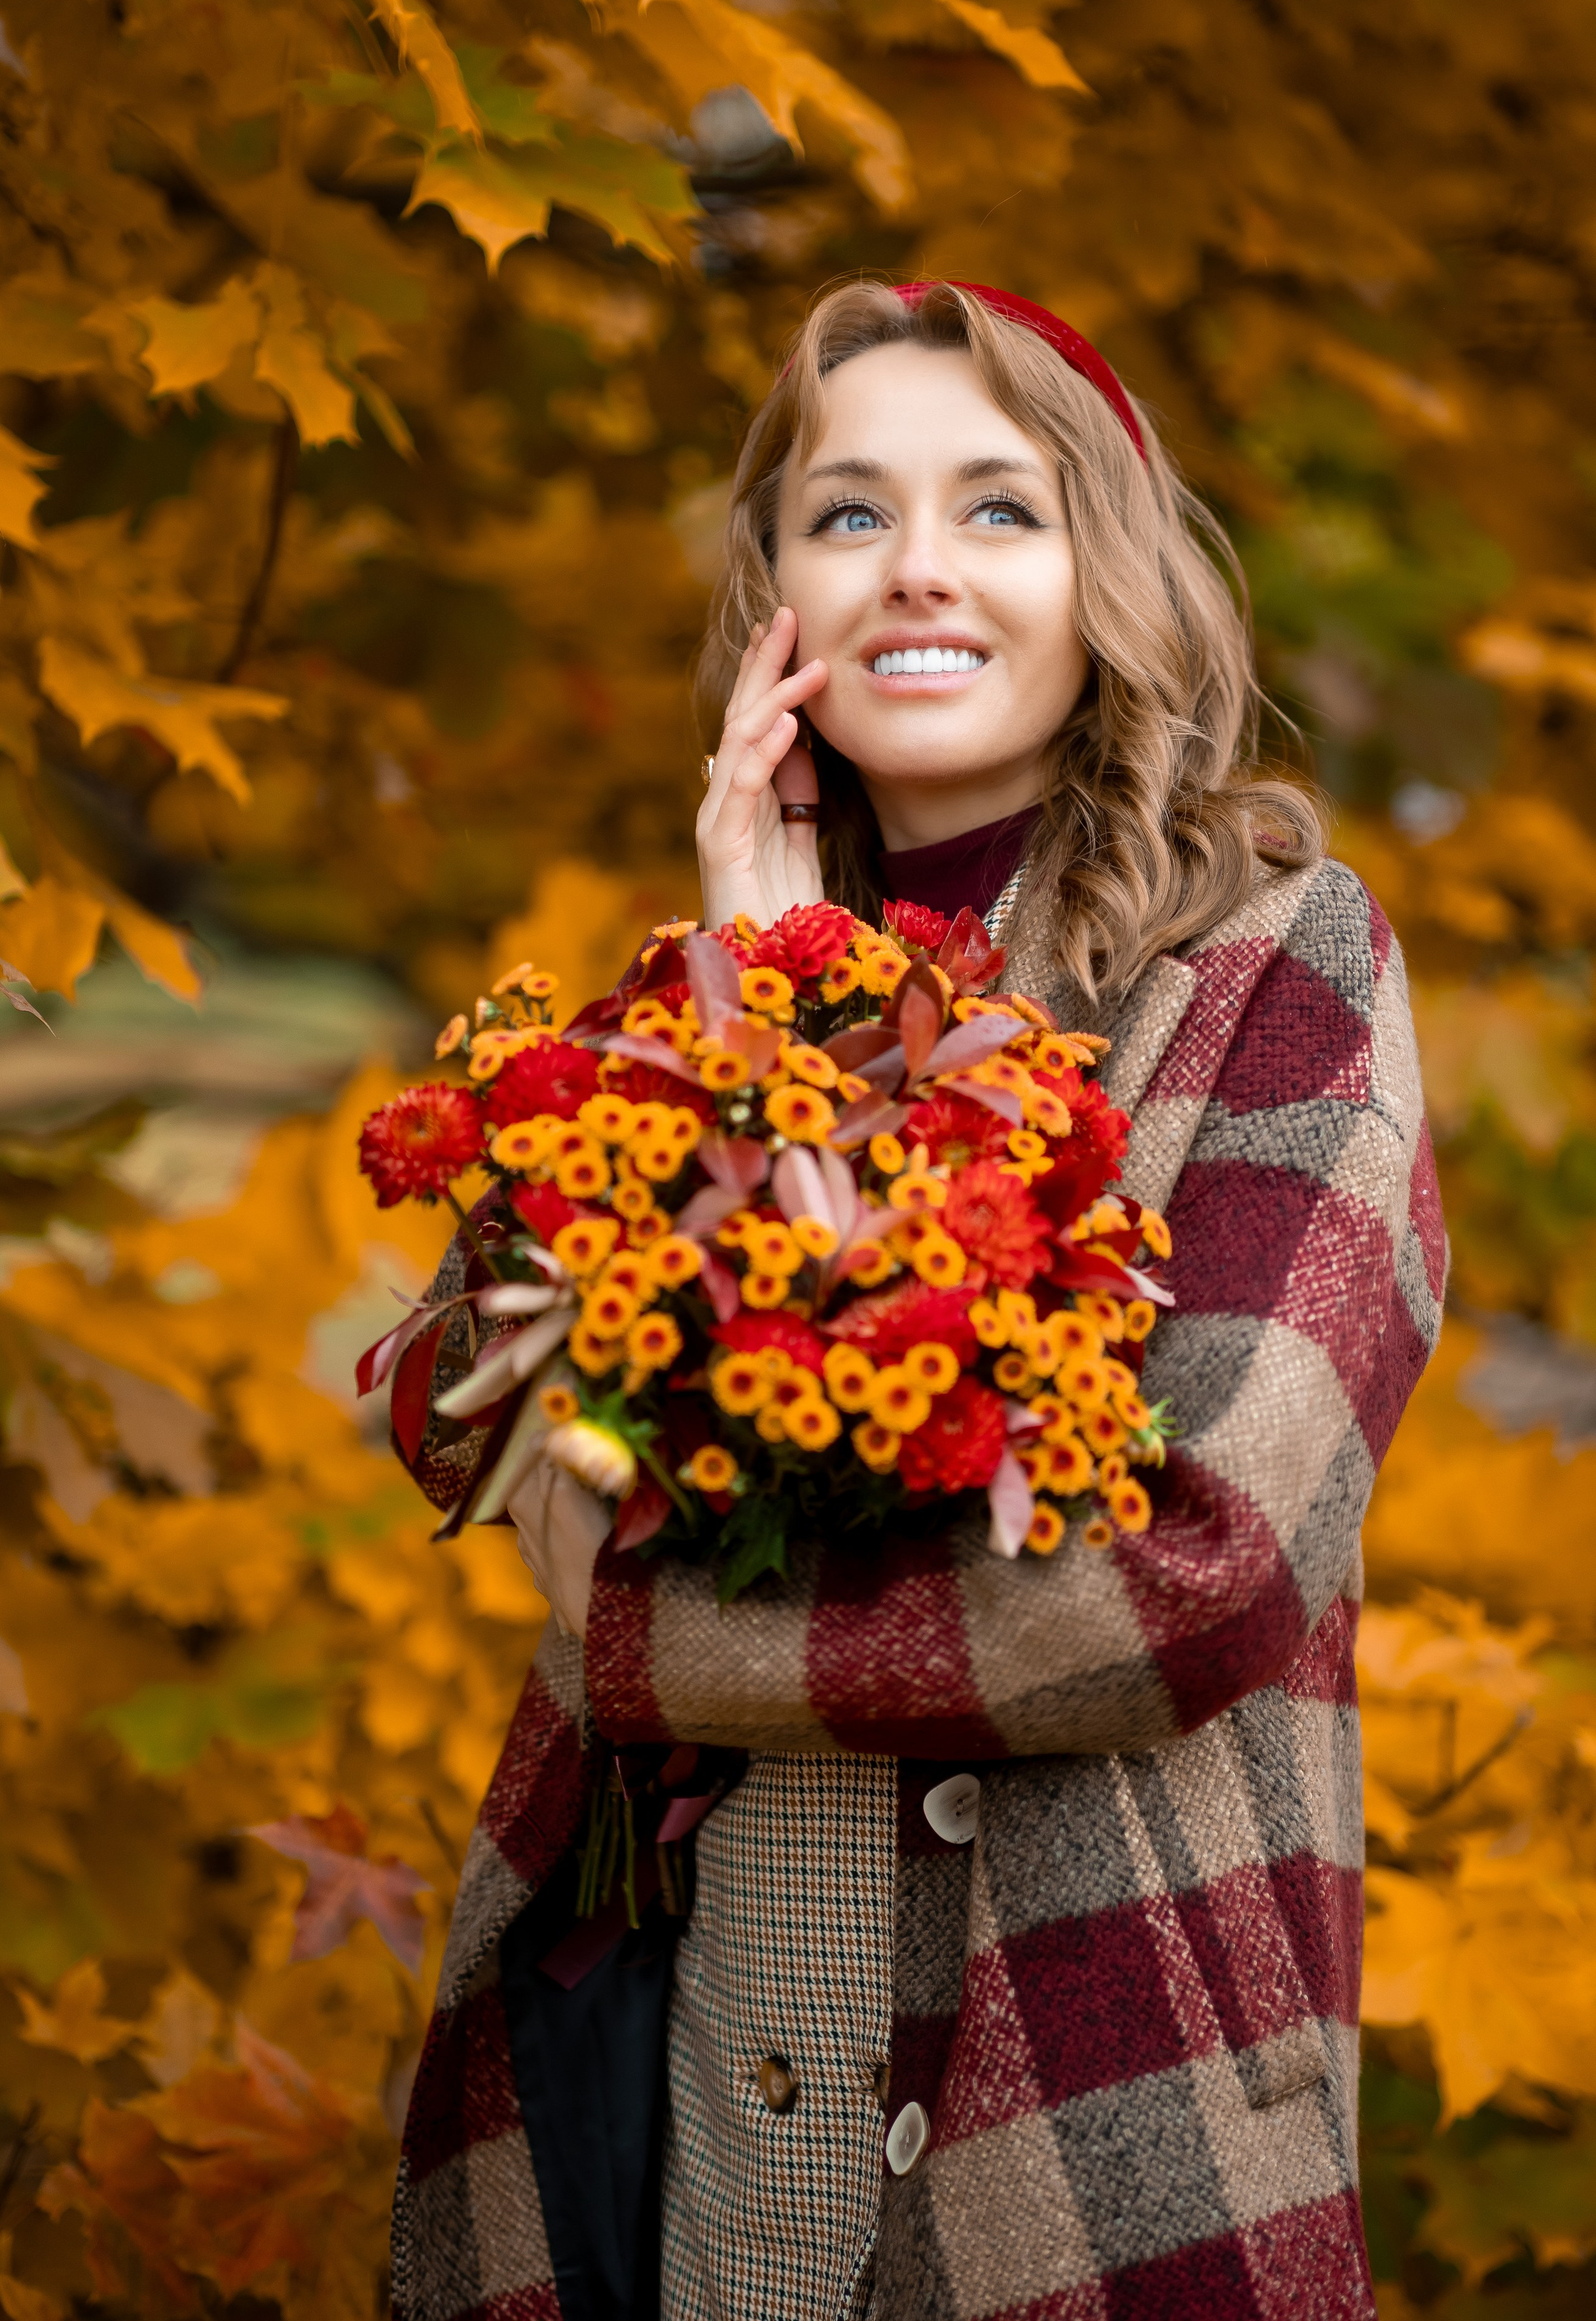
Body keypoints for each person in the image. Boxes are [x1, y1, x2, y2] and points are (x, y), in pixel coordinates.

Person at [391, 280, 1445, 2321]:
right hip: (679, 2091)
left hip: (1084, 2091)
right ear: (774, 594)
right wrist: (750, 994)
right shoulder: (676, 1002)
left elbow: (1188, 1577)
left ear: (1106, 575)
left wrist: (634, 1637)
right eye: (848, 515)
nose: (919, 571)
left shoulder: (1270, 969)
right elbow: (469, 1417)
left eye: (1001, 508)